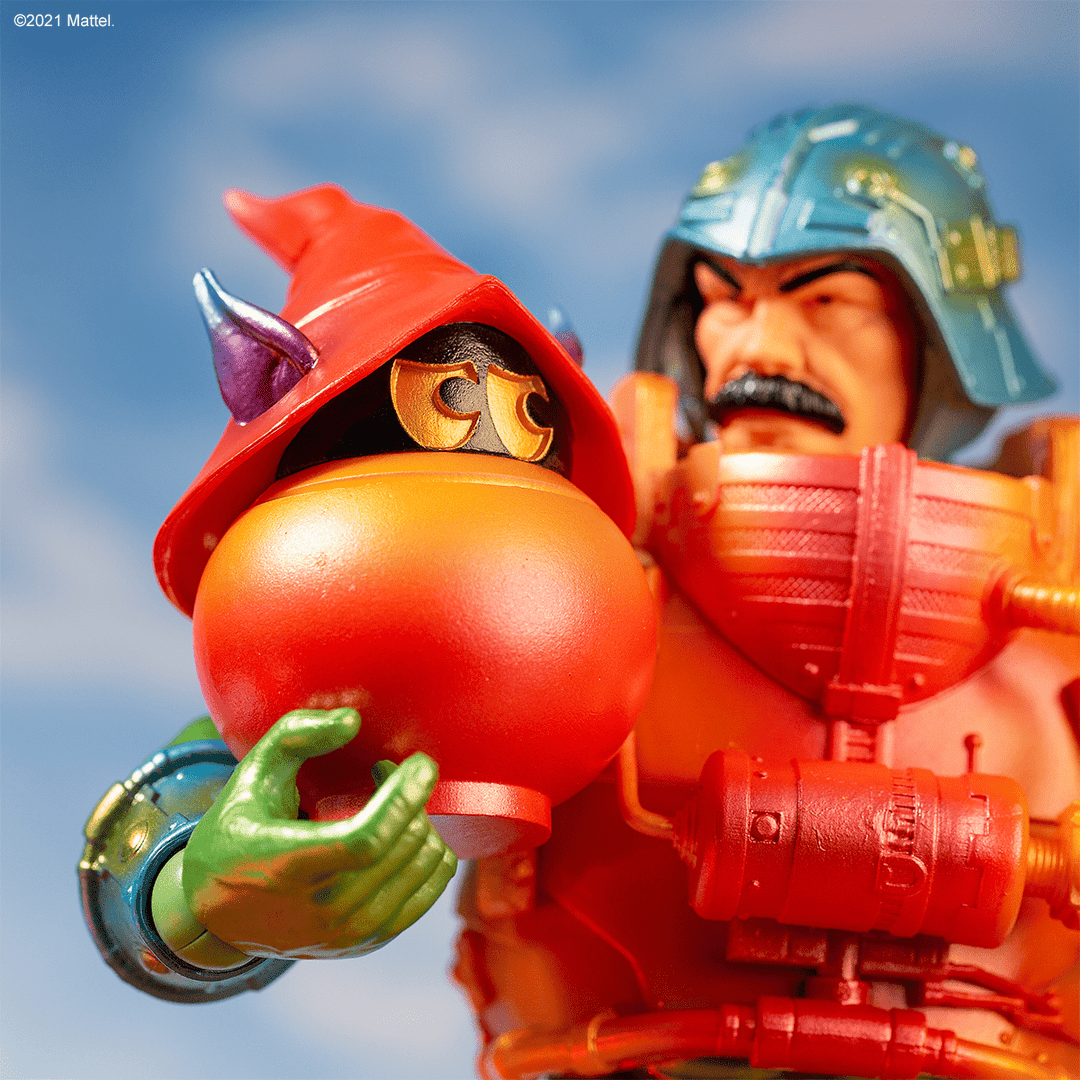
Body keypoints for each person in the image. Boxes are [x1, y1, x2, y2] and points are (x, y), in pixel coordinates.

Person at [80, 106, 1079, 1078]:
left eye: (825, 300)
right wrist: (197, 896)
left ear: (940, 337)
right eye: (722, 296)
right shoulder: (560, 555)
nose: (756, 349)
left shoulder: (1059, 598)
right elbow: (246, 766)